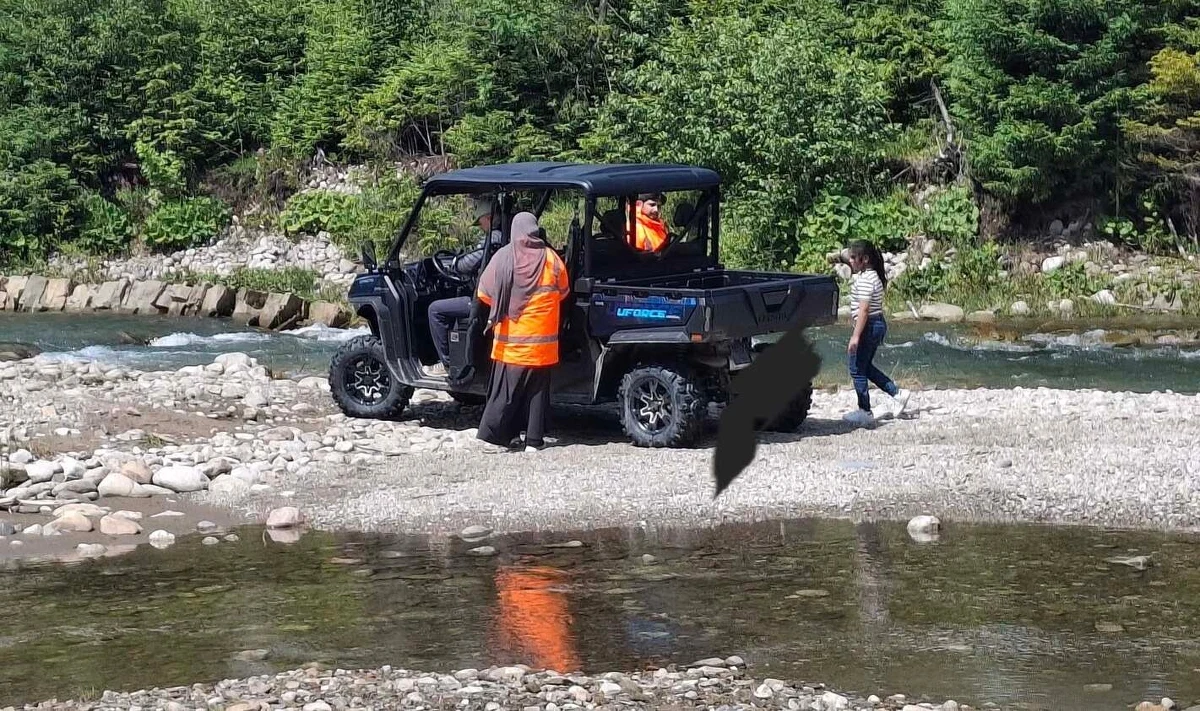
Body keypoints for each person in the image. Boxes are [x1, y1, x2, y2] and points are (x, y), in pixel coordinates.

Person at [473, 211, 570, 451]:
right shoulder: (552, 258)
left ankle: (494, 438)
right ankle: (534, 442)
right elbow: (564, 292)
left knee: (505, 395)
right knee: (536, 395)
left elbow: (483, 294)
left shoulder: (504, 257)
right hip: (545, 345)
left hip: (513, 343)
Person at [425, 197, 504, 377]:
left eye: (481, 223)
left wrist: (456, 263)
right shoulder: (506, 234)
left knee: (435, 309)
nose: (481, 227)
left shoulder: (494, 238)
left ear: (489, 218)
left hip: (484, 301)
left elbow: (465, 265)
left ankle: (447, 364)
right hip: (494, 296)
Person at [843, 239, 910, 425]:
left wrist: (855, 336)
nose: (851, 261)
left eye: (854, 258)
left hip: (869, 326)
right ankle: (898, 394)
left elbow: (864, 310)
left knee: (856, 368)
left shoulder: (866, 280)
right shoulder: (874, 277)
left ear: (865, 259)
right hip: (877, 324)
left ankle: (865, 411)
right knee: (866, 367)